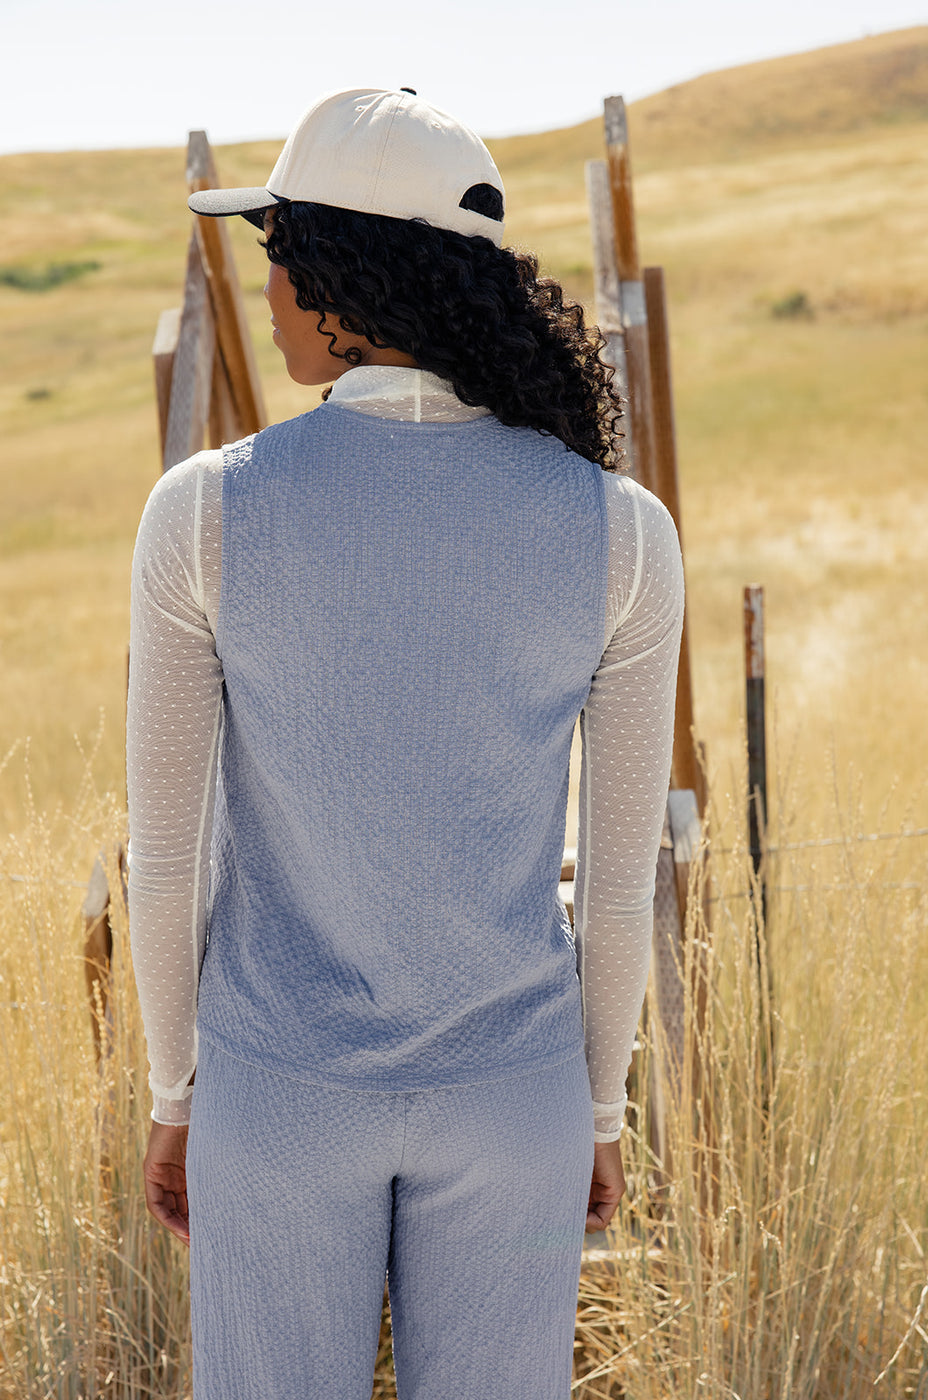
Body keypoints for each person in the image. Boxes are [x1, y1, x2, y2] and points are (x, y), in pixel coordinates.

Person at [127, 86, 684, 1400]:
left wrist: (174, 1089)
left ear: (341, 275)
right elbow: (610, 888)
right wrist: (595, 1113)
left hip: (276, 1099)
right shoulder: (620, 533)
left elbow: (166, 855)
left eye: (279, 254)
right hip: (518, 1107)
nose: (265, 291)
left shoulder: (202, 514)